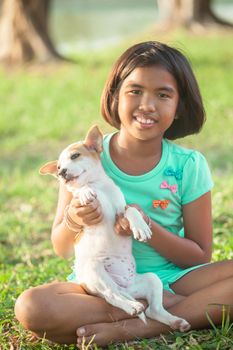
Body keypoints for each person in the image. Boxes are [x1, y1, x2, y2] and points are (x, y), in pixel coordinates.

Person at [15, 41, 233, 347]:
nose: (147, 105)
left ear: (180, 106)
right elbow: (60, 245)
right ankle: (175, 309)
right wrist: (75, 219)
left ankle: (142, 326)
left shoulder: (188, 166)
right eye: (135, 91)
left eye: (163, 94)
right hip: (100, 282)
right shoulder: (84, 157)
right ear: (115, 96)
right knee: (33, 307)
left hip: (172, 279)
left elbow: (199, 255)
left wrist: (148, 228)